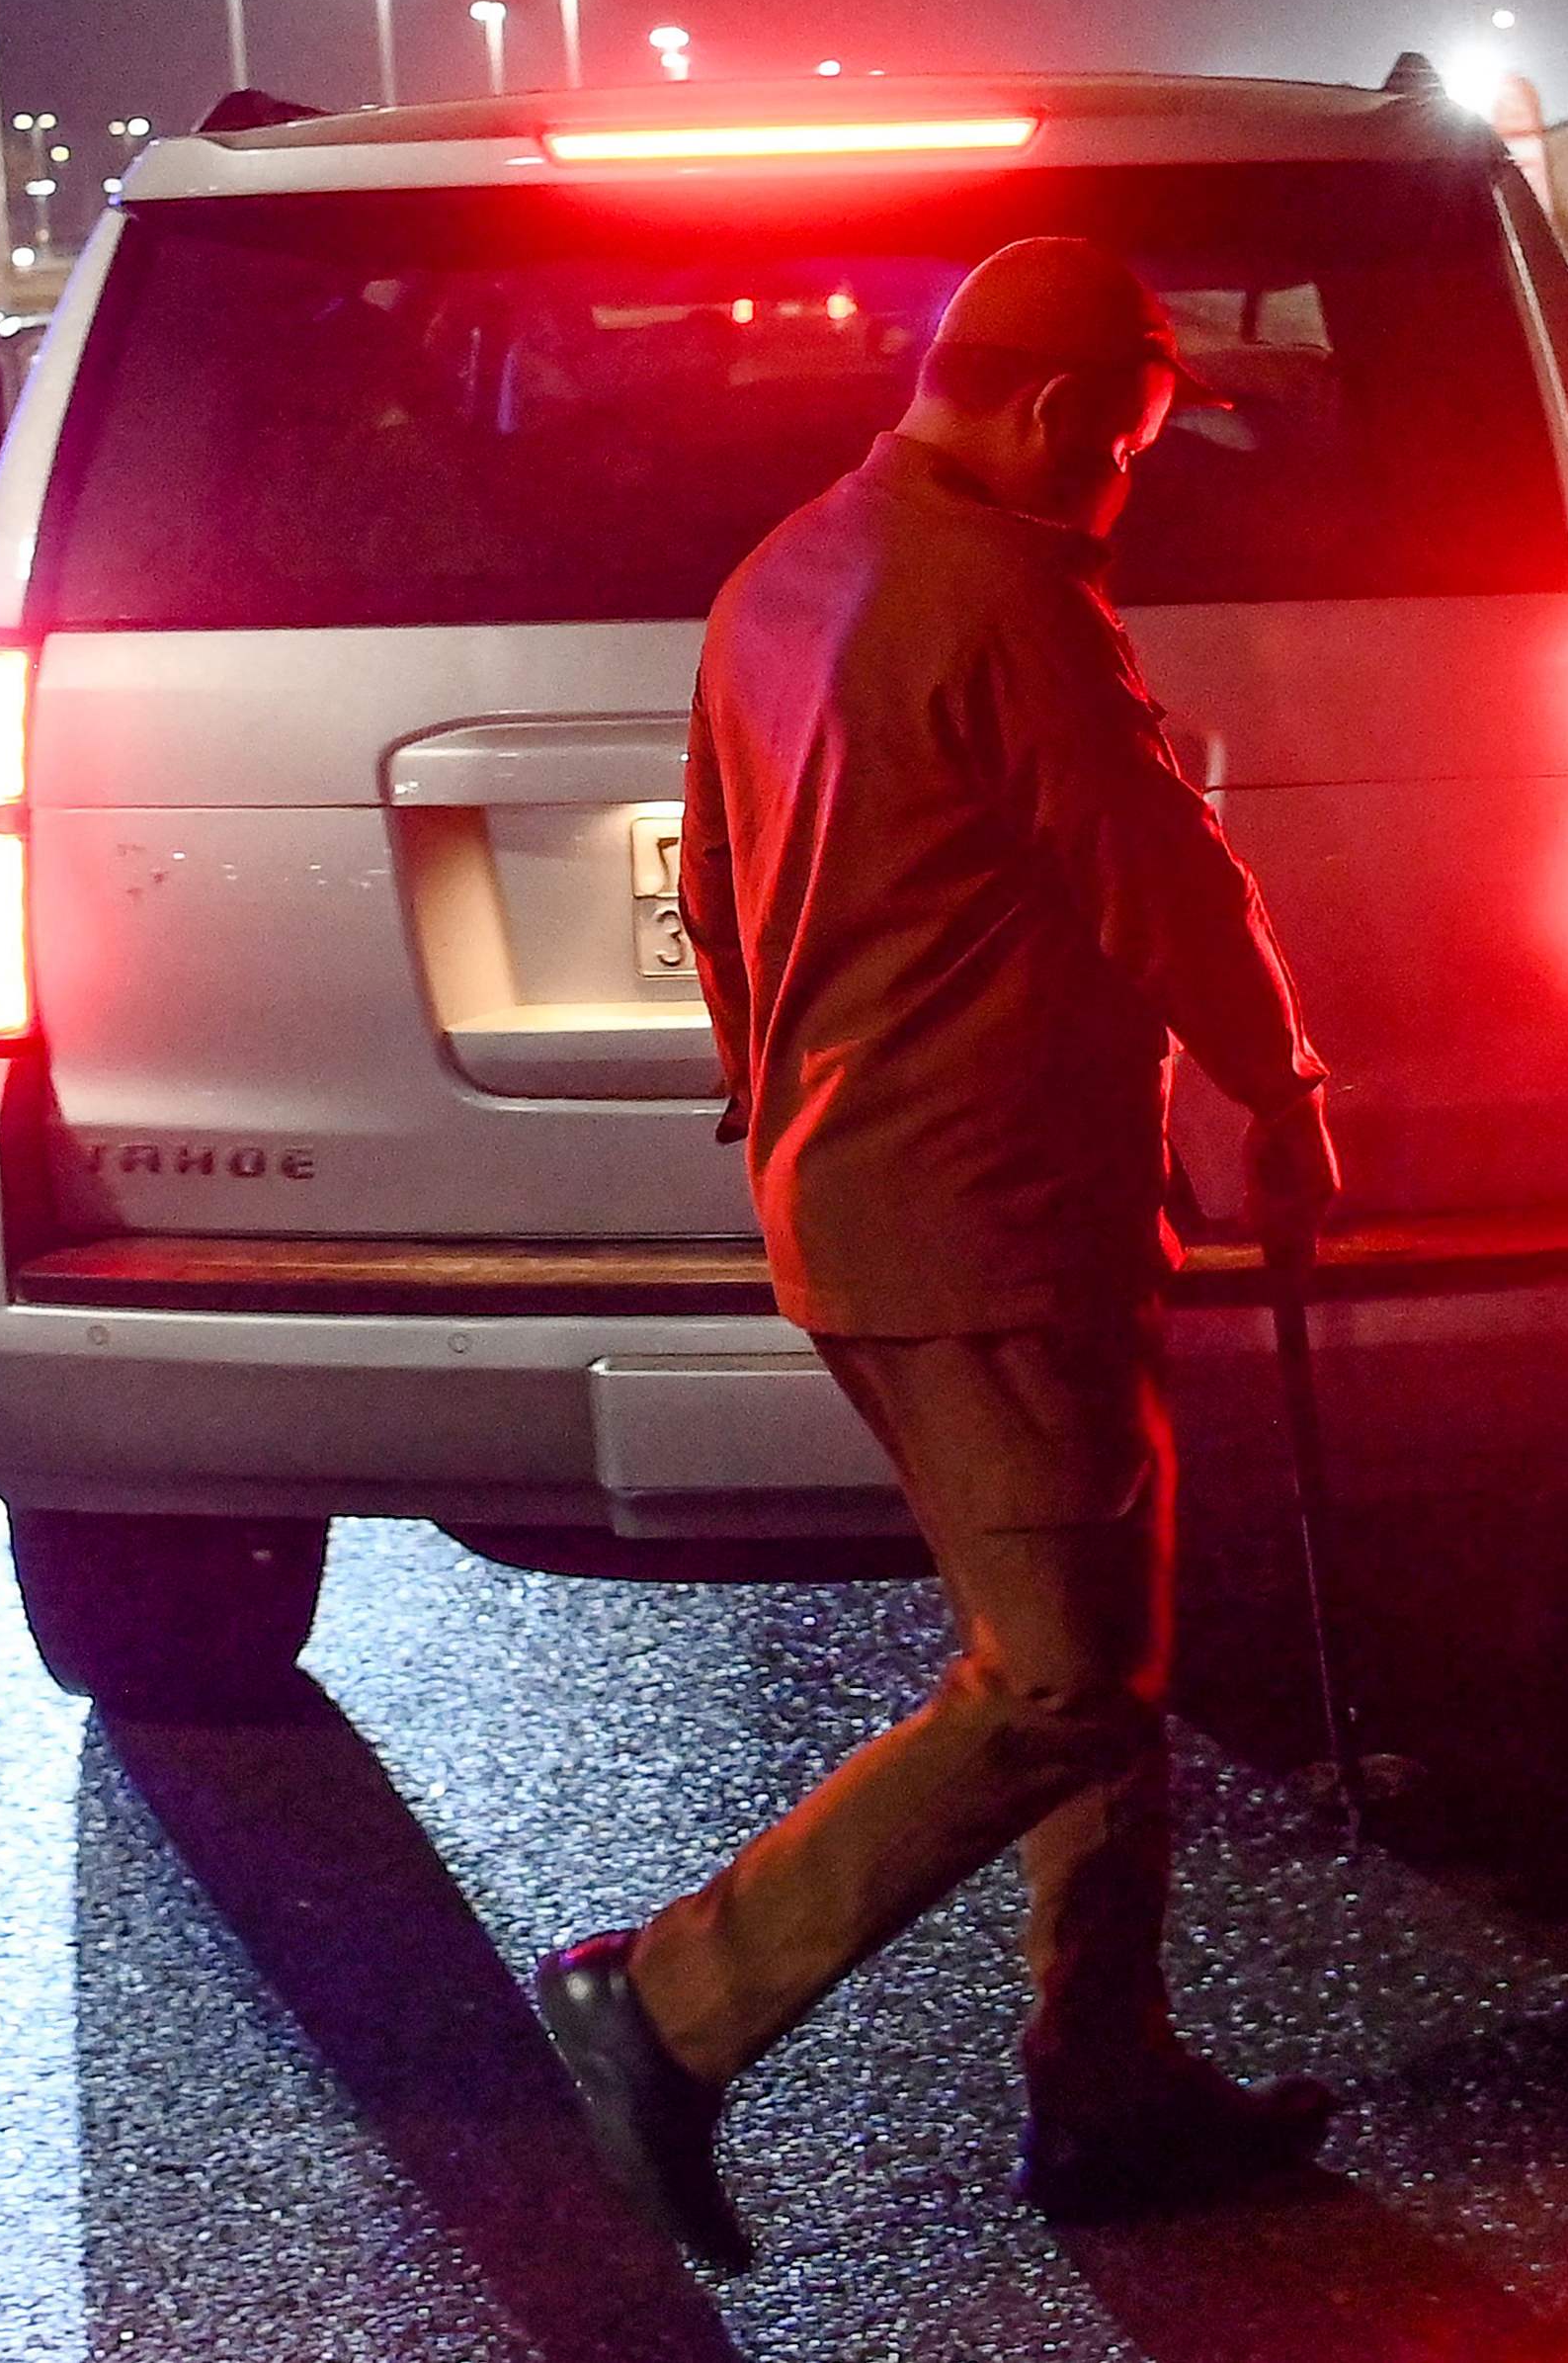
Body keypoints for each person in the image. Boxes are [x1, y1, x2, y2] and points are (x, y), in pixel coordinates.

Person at [531, 235, 1348, 2269]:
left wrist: (778, 1095)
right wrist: (1287, 1082)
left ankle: (1107, 2077)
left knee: (1093, 1638)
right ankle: (671, 2001)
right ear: (1071, 413)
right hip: (986, 1210)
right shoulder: (1004, 588)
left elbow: (713, 879)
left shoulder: (786, 565)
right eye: (1138, 444)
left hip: (870, 1192)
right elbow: (1157, 860)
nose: (1129, 484)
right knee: (1062, 1675)